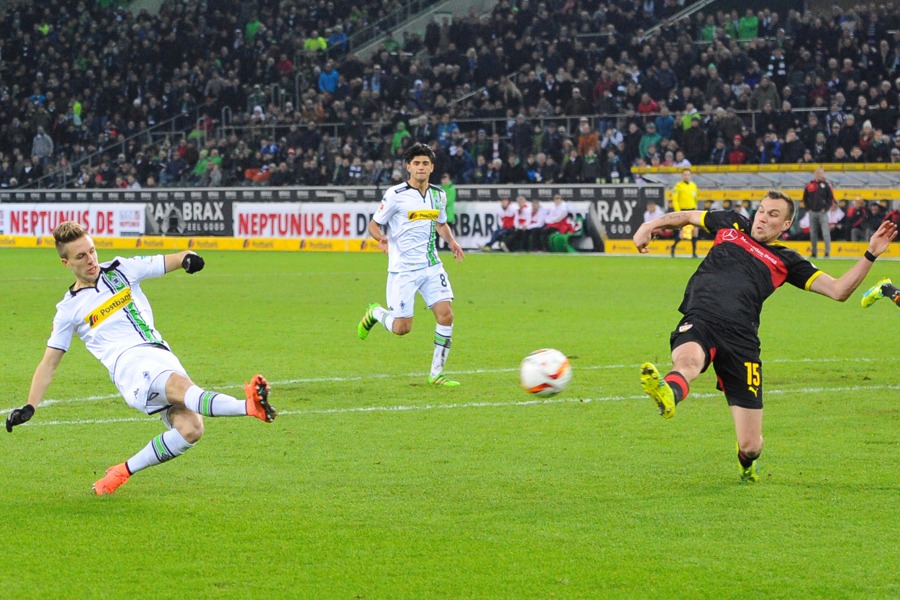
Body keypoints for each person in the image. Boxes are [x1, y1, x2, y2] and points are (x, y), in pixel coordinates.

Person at [632, 192, 897, 482]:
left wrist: (871, 252)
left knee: (751, 445)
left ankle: (748, 464)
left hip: (742, 341)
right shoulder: (732, 224)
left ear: (785, 224)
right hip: (702, 319)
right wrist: (650, 226)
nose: (762, 217)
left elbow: (838, 290)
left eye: (773, 215)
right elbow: (687, 216)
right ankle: (668, 393)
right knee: (687, 360)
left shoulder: (787, 260)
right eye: (761, 210)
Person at [5, 221, 276, 495]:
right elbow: (49, 363)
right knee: (184, 389)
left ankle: (122, 471)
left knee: (191, 429)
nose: (91, 260)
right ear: (66, 263)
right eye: (81, 256)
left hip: (161, 353)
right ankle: (249, 407)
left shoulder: (122, 269)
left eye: (92, 251)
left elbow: (173, 259)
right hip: (131, 367)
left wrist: (189, 259)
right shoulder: (68, 310)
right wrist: (30, 406)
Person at [357, 143, 465, 386]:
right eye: (416, 163)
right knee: (402, 328)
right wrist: (380, 238)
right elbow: (374, 224)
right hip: (403, 269)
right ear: (408, 167)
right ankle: (375, 312)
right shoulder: (395, 195)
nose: (421, 167)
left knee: (446, 315)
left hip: (431, 265)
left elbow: (441, 224)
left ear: (432, 167)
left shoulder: (439, 195)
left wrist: (453, 242)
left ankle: (436, 373)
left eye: (425, 163)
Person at [802, 167, 835, 258]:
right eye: (817, 173)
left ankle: (827, 252)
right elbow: (805, 198)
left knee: (825, 233)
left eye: (821, 173)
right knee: (813, 233)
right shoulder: (809, 185)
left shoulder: (826, 185)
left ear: (823, 174)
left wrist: (826, 208)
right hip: (812, 212)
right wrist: (808, 208)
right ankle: (814, 252)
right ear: (815, 174)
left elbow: (830, 198)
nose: (819, 175)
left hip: (823, 212)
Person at [669, 167, 699, 257]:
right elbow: (675, 200)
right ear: (682, 176)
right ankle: (673, 247)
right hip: (683, 211)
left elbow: (695, 198)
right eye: (685, 174)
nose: (687, 176)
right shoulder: (677, 186)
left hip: (692, 210)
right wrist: (678, 212)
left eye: (688, 174)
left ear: (690, 175)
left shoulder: (694, 185)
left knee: (695, 231)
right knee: (682, 234)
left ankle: (694, 253)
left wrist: (696, 209)